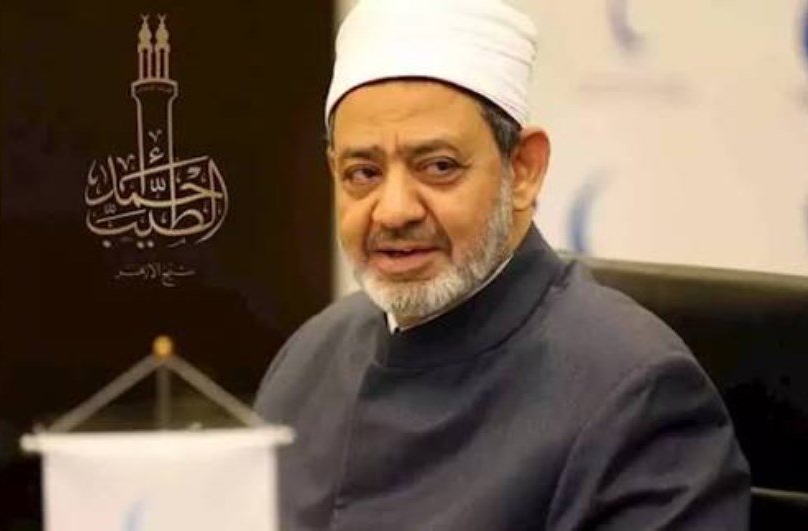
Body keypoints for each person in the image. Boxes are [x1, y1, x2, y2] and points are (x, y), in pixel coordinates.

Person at [255, 0, 750, 529]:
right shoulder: (310, 357)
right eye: (363, 173)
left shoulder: (637, 397)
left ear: (524, 170)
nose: (394, 210)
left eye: (438, 167)